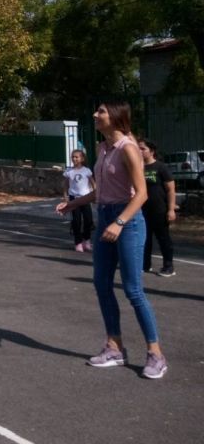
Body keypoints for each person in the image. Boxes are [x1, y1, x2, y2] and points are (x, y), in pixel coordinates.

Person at [55, 101, 168, 379]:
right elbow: (101, 191)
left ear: (116, 117)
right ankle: (114, 347)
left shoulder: (128, 148)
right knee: (101, 284)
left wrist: (120, 222)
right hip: (106, 215)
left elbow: (141, 193)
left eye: (101, 111)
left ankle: (156, 354)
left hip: (127, 221)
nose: (95, 115)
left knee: (133, 290)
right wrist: (72, 204)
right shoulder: (102, 148)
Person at [138, 139, 176, 277]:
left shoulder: (160, 167)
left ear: (152, 151)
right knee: (144, 238)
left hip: (159, 209)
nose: (140, 151)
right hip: (142, 209)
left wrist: (171, 209)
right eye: (138, 148)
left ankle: (168, 266)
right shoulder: (138, 167)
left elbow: (171, 190)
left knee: (163, 238)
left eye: (143, 149)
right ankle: (145, 264)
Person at [62, 149, 95, 252]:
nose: (74, 159)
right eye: (73, 157)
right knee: (76, 221)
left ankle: (87, 240)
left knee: (88, 220)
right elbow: (65, 186)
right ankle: (78, 242)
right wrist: (66, 197)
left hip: (85, 198)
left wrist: (95, 195)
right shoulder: (69, 172)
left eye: (77, 157)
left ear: (82, 158)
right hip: (74, 199)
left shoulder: (87, 171)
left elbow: (93, 184)